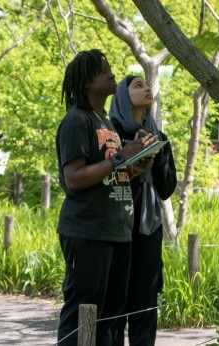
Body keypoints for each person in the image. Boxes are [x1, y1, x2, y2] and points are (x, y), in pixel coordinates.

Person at [55, 50, 149, 345]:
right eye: (103, 70)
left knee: (110, 316)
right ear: (86, 82)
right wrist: (121, 156)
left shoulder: (104, 121)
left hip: (117, 232)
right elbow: (74, 179)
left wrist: (135, 166)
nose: (112, 74)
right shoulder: (76, 121)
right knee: (83, 311)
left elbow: (109, 173)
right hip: (88, 231)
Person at [109, 75, 177, 346]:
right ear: (123, 96)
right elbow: (105, 180)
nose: (146, 88)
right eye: (137, 85)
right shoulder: (110, 133)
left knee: (145, 304)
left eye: (148, 85)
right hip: (118, 229)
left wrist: (156, 157)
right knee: (115, 305)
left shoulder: (158, 136)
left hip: (150, 230)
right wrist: (132, 165)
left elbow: (167, 188)